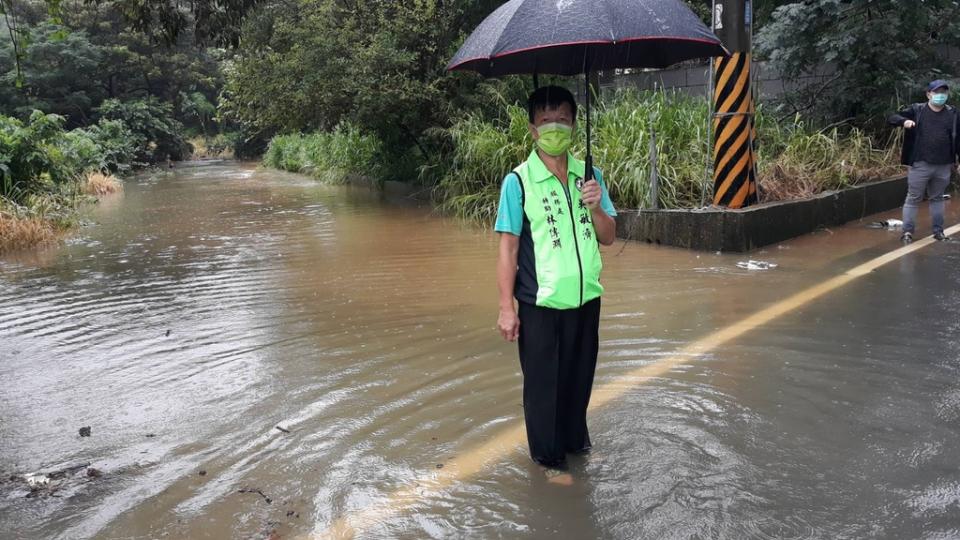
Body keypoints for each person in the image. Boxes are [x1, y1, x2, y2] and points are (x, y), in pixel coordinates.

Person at [494, 85, 617, 470]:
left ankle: (576, 445)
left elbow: (609, 236)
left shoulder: (589, 175)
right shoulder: (518, 182)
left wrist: (596, 206)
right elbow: (508, 249)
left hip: (586, 301)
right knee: (544, 390)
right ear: (532, 129)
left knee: (579, 383)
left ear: (575, 125)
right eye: (546, 121)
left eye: (563, 120)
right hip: (540, 306)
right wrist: (505, 308)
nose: (555, 128)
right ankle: (548, 463)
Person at [888, 79, 960, 244]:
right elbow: (892, 117)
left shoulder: (954, 114)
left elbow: (959, 139)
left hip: (943, 165)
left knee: (937, 198)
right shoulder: (917, 110)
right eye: (936, 92)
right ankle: (907, 232)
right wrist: (903, 121)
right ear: (929, 94)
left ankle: (938, 232)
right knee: (913, 197)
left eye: (943, 92)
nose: (940, 96)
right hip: (920, 163)